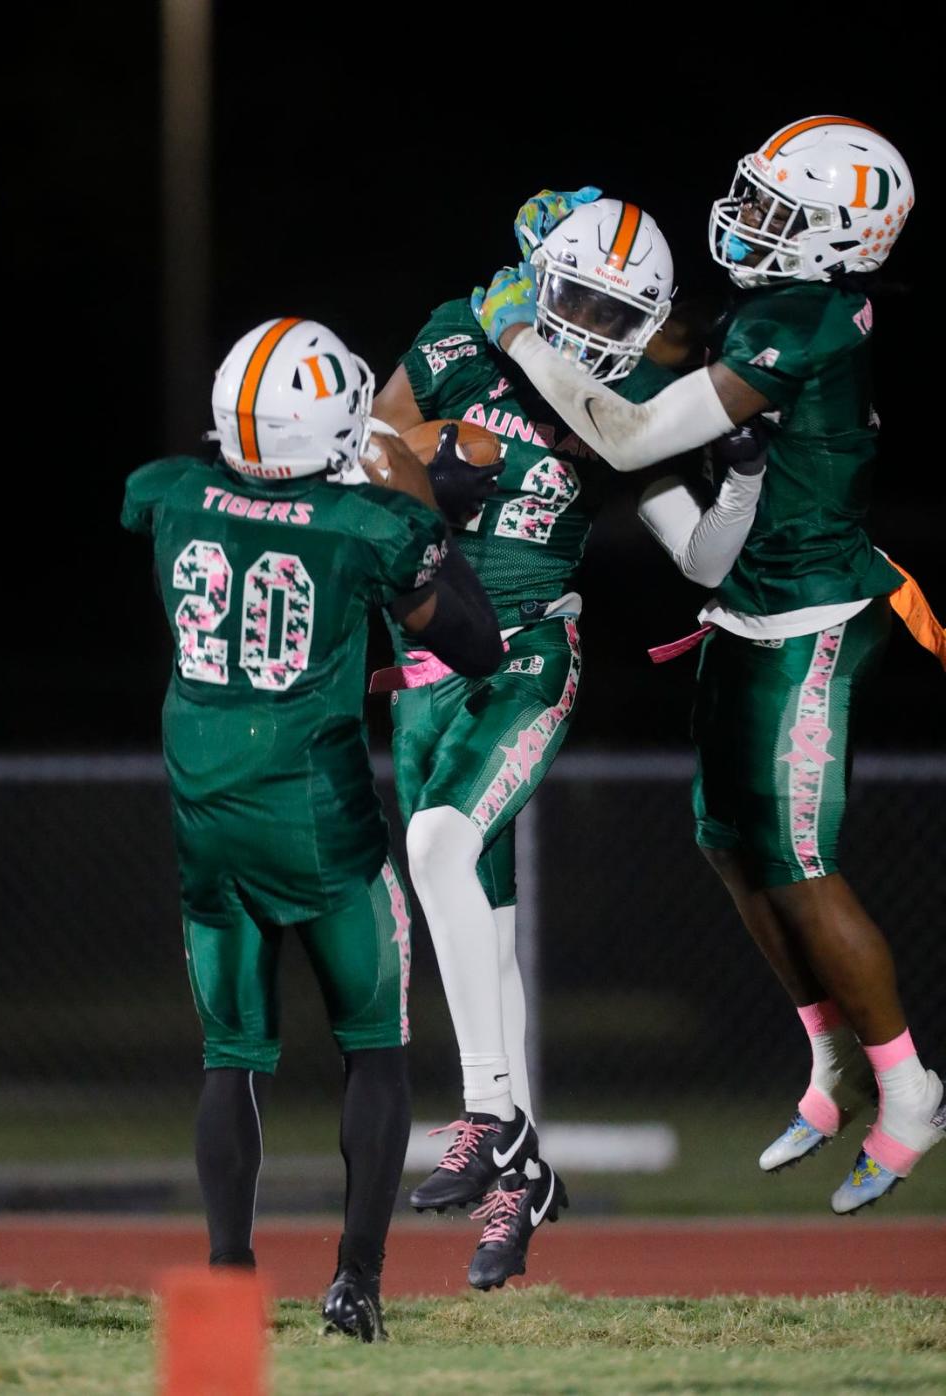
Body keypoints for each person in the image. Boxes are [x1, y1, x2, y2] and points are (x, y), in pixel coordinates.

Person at [474, 120, 944, 1213]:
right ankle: (830, 1057)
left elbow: (634, 438)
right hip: (749, 601)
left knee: (796, 858)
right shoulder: (778, 308)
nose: (753, 218)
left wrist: (523, 332)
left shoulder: (803, 315)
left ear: (841, 239)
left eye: (784, 209)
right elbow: (676, 384)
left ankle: (910, 1086)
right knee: (729, 842)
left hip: (811, 615)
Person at [372, 190, 766, 1289]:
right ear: (540, 278)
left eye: (615, 306)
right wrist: (430, 454)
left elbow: (705, 561)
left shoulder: (626, 397)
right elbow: (366, 444)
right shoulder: (462, 330)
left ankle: (490, 1114)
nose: (592, 322)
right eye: (577, 295)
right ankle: (519, 1181)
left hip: (526, 655)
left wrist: (739, 474)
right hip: (422, 671)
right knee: (481, 932)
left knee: (441, 849)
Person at [121, 317, 502, 1340]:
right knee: (374, 1048)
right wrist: (436, 520)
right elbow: (473, 643)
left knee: (231, 1055)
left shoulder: (165, 492)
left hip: (206, 818)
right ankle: (356, 1283)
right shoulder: (365, 525)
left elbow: (218, 488)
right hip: (319, 820)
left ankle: (231, 1273)